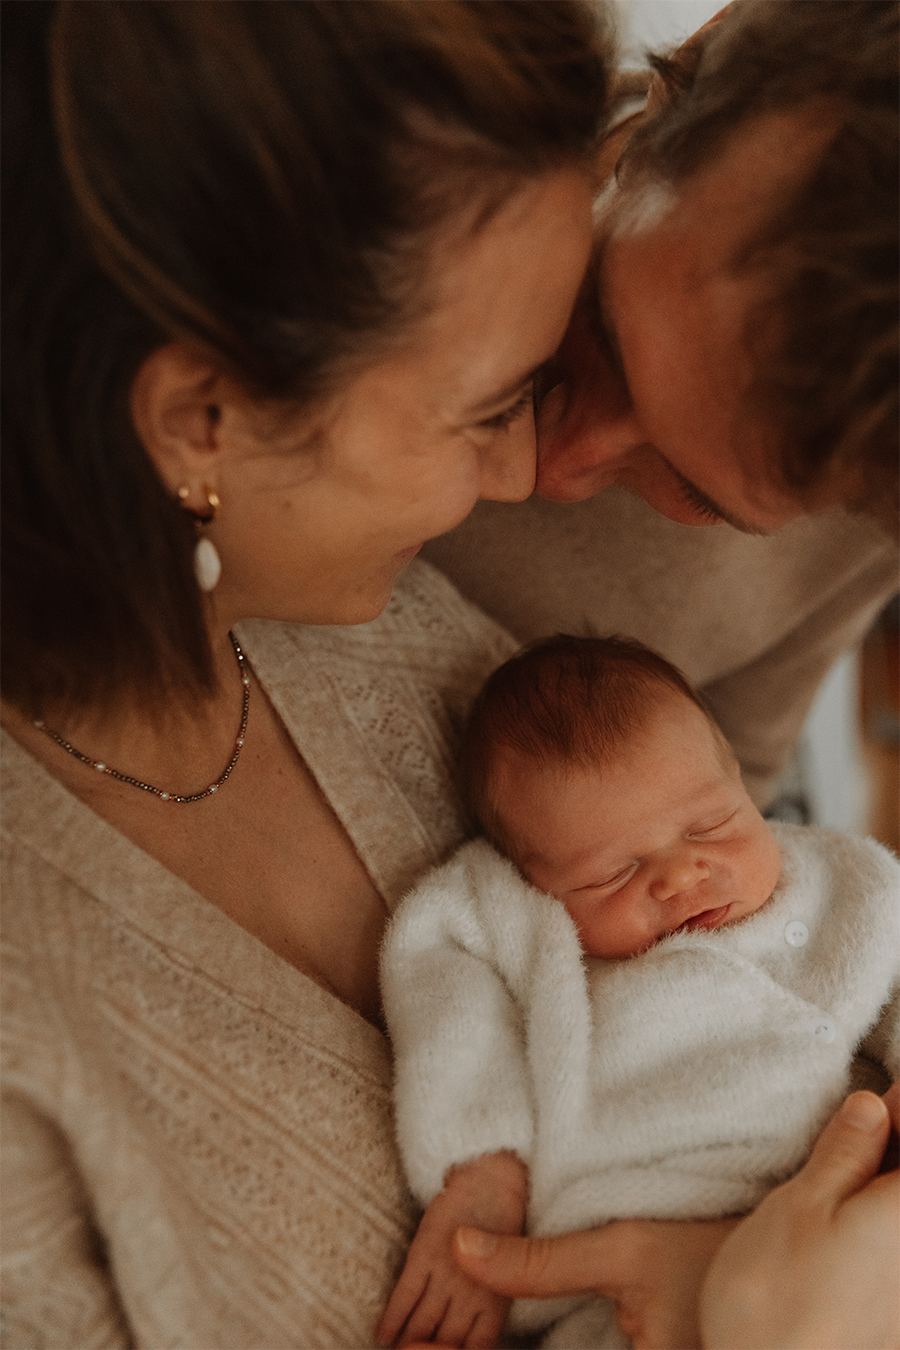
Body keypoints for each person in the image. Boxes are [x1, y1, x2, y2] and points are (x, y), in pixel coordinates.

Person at [0, 2, 895, 1348]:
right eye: (498, 398)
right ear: (201, 425)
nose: (538, 470)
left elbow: (755, 915)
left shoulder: (410, 643)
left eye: (700, 488)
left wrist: (748, 1248)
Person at [423, 0, 899, 812]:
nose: (547, 470)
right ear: (698, 56)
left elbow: (721, 776)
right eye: (602, 329)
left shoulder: (865, 512)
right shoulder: (387, 148)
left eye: (696, 494)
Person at [380, 635, 898, 1349]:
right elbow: (447, 999)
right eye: (612, 875)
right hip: (617, 1251)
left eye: (710, 825)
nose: (682, 876)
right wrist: (487, 1169)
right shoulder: (508, 917)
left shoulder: (842, 886)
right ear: (529, 880)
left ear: (745, 788)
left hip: (844, 1228)